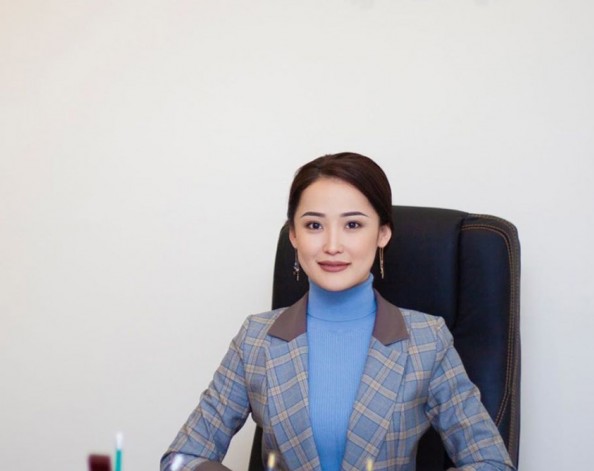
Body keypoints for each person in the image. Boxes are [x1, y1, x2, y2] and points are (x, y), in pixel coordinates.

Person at [161, 153, 515, 471]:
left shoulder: (426, 340)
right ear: (294, 236)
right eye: (314, 225)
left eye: (353, 225)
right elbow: (181, 459)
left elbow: (491, 463)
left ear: (382, 234)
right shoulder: (255, 339)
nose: (332, 245)